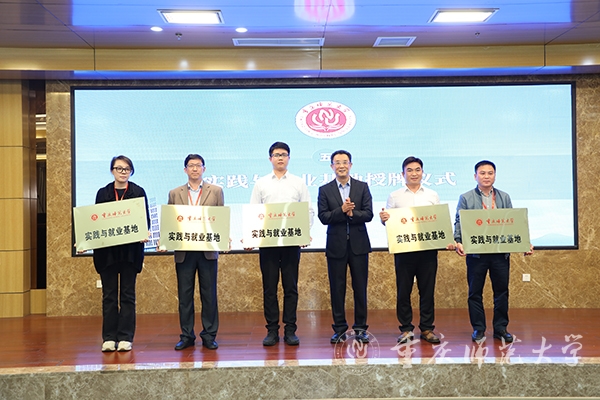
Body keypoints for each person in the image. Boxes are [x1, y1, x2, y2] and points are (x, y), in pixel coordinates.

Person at [454, 160, 533, 343]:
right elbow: (459, 221)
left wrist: (524, 243)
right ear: (475, 176)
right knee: (475, 293)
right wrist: (458, 241)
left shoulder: (504, 197)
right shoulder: (466, 197)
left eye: (490, 173)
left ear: (495, 176)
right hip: (476, 254)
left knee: (501, 292)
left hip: (500, 253)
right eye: (482, 173)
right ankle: (479, 329)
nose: (486, 176)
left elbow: (514, 223)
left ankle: (500, 328)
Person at [379, 156, 454, 344]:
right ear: (402, 174)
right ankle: (406, 329)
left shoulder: (432, 195)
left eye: (417, 170)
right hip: (404, 250)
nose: (414, 173)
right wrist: (383, 218)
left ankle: (427, 328)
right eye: (410, 170)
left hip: (428, 251)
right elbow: (388, 222)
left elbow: (439, 220)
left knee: (427, 291)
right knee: (403, 291)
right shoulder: (395, 196)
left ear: (423, 172)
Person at [249, 141, 312, 347]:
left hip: (291, 242)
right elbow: (254, 212)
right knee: (269, 288)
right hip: (268, 243)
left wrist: (304, 233)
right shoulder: (261, 184)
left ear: (289, 158)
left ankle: (290, 330)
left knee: (290, 287)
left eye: (284, 154)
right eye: (276, 155)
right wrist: (251, 236)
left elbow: (307, 210)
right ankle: (272, 330)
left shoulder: (298, 183)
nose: (280, 158)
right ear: (270, 159)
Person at [93, 155, 150, 352]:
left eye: (126, 169)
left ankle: (125, 337)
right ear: (112, 171)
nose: (123, 172)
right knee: (109, 296)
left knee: (127, 295)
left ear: (131, 171)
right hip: (107, 253)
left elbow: (145, 220)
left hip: (130, 253)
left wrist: (144, 232)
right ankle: (109, 337)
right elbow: (95, 222)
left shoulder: (138, 192)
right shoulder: (103, 193)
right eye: (119, 168)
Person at [169, 154, 224, 350]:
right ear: (185, 170)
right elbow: (171, 221)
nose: (194, 169)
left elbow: (220, 219)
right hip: (184, 251)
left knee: (209, 295)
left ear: (204, 169)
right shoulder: (174, 193)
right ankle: (186, 335)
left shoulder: (216, 191)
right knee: (185, 296)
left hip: (207, 250)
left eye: (198, 165)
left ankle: (209, 335)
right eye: (191, 165)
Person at [318, 150, 373, 344]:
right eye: (337, 162)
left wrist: (352, 214)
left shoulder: (362, 187)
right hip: (336, 245)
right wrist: (341, 211)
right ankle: (339, 329)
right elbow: (323, 217)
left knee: (360, 288)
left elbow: (368, 214)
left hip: (359, 245)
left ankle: (361, 329)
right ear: (332, 166)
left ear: (350, 165)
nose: (341, 166)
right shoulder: (324, 190)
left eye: (345, 162)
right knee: (337, 288)